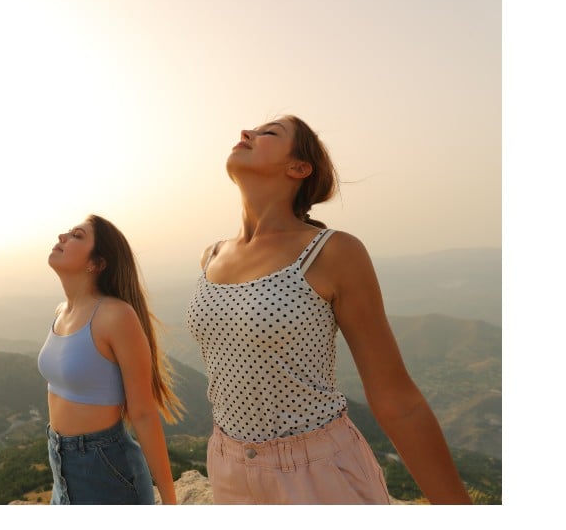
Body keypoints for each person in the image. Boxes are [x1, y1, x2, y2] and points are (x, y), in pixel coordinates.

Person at [186, 115, 472, 505]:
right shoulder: (211, 255)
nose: (246, 133)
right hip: (227, 468)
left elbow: (397, 400)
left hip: (317, 474)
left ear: (299, 168)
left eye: (269, 132)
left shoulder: (332, 251)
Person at [38, 214, 183, 505]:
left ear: (97, 263)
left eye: (77, 235)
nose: (62, 237)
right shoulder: (61, 311)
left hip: (105, 468)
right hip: (60, 462)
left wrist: (169, 500)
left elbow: (143, 413)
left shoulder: (115, 315)